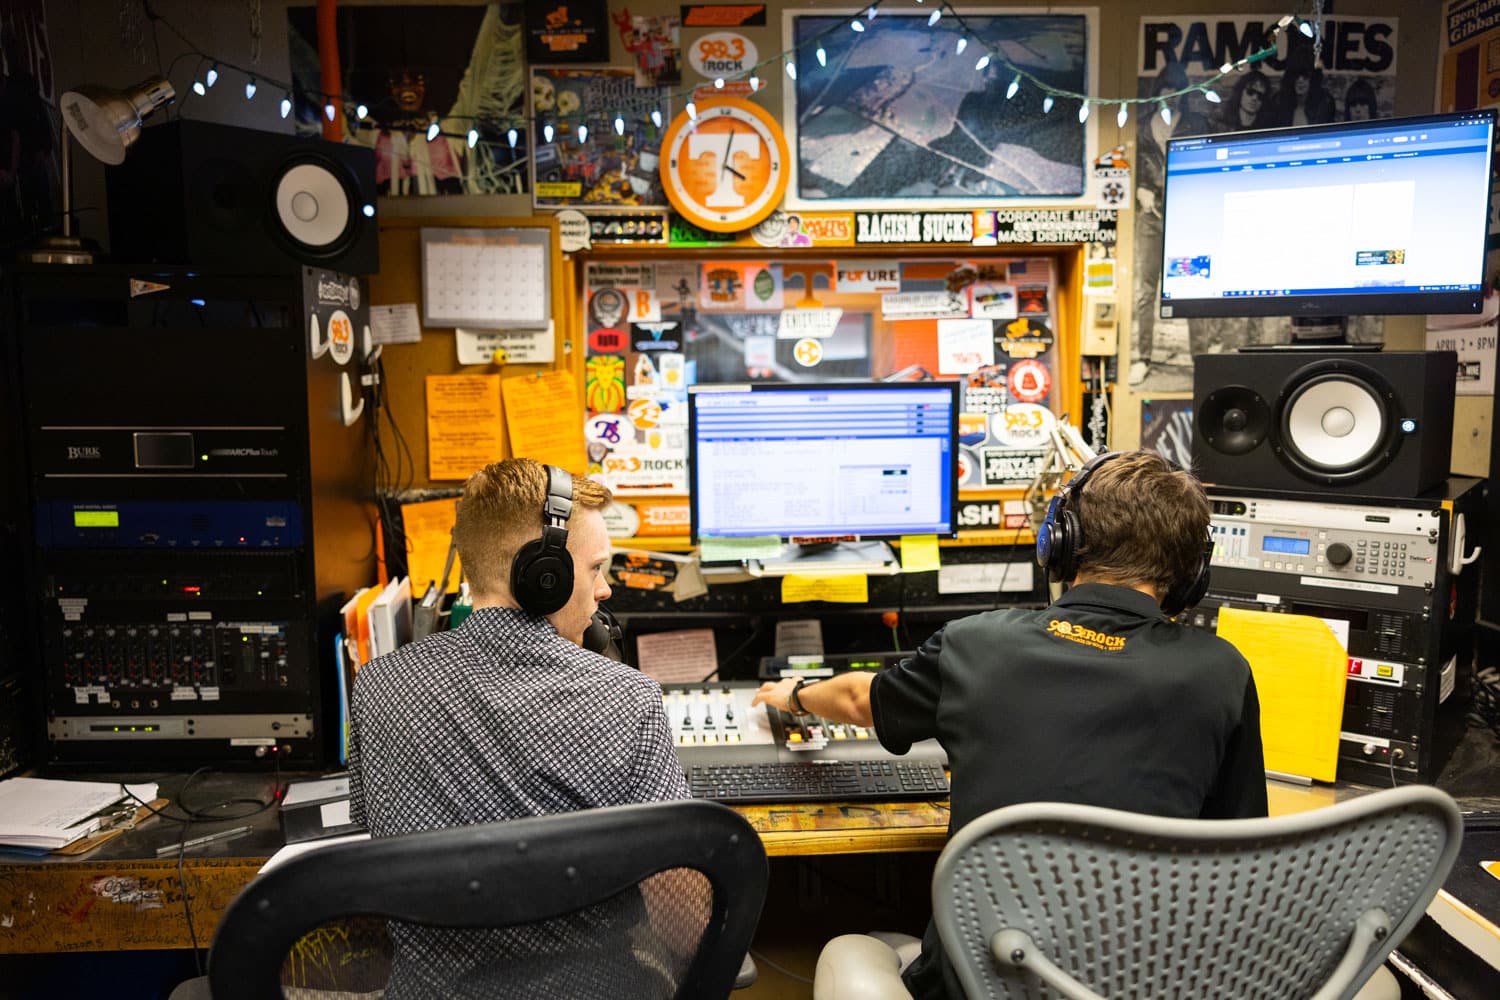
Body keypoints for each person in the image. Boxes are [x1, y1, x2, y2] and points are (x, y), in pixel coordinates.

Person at [753, 449, 1268, 1000]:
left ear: (1060, 542)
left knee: (855, 947)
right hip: (1147, 982)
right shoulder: (1222, 672)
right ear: (1192, 571)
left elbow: (861, 699)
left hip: (986, 980)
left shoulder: (977, 646)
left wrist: (797, 695)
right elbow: (1245, 854)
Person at [350, 458, 690, 996]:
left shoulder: (375, 686)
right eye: (596, 568)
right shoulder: (630, 699)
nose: (604, 591)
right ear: (544, 575)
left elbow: (375, 842)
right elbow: (685, 921)